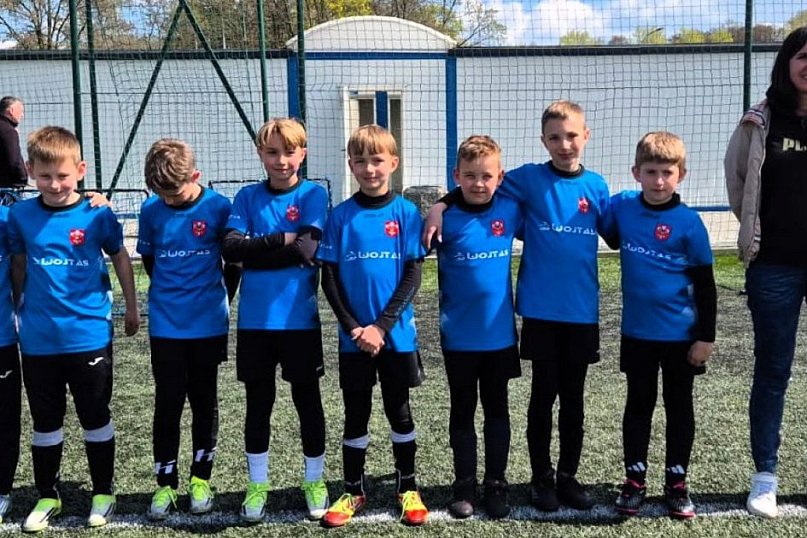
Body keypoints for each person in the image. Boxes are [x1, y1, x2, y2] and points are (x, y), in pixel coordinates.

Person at [424, 101, 610, 511]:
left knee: (574, 401)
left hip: (582, 312)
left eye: (572, 135)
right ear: (544, 140)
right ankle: (539, 479)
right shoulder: (525, 180)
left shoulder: (596, 186)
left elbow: (615, 230)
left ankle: (567, 477)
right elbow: (475, 182)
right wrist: (439, 204)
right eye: (555, 137)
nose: (564, 144)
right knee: (541, 397)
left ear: (586, 135)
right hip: (539, 313)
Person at [8, 126, 140, 532]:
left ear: (80, 171)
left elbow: (120, 256)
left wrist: (132, 306)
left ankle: (103, 491)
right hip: (38, 339)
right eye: (45, 176)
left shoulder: (98, 213)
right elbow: (18, 264)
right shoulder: (20, 215)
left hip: (88, 335)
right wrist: (17, 310)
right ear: (30, 169)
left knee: (94, 413)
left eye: (63, 176)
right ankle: (47, 494)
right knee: (45, 420)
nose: (54, 184)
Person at [317, 124, 429, 527]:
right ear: (351, 165)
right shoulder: (340, 217)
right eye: (361, 161)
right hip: (354, 340)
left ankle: (407, 487)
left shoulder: (406, 213)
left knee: (400, 412)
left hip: (395, 337)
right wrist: (354, 328)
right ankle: (353, 489)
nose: (369, 168)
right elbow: (329, 279)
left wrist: (380, 327)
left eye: (377, 160)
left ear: (393, 163)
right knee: (355, 414)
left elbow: (412, 275)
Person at [221, 118, 329, 522]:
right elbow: (231, 249)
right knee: (258, 406)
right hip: (255, 323)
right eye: (272, 152)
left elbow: (306, 250)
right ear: (260, 154)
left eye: (289, 152)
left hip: (300, 321)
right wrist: (282, 238)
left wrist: (255, 253)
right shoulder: (247, 196)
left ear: (303, 153)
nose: (281, 160)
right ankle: (258, 484)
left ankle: (314, 481)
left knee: (308, 403)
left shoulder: (313, 194)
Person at [608, 132, 716, 520]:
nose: (658, 181)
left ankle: (677, 483)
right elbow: (606, 231)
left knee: (679, 406)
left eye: (667, 173)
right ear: (636, 172)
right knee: (638, 404)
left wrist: (706, 337)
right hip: (637, 334)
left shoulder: (689, 223)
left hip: (680, 338)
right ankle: (634, 481)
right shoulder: (623, 208)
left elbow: (705, 285)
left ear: (680, 175)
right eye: (651, 172)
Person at [725, 25, 807, 519]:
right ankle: (766, 477)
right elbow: (739, 183)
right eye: (803, 56)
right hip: (774, 265)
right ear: (787, 63)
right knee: (774, 370)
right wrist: (755, 229)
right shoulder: (760, 121)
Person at [137, 139, 240, 520]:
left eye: (175, 193)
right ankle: (165, 483)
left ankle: (201, 479)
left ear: (195, 176)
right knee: (167, 401)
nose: (168, 200)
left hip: (208, 322)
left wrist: (218, 300)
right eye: (161, 193)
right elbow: (151, 261)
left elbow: (233, 264)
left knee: (203, 399)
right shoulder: (151, 210)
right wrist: (172, 297)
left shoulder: (219, 207)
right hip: (166, 323)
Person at [435, 135, 522, 520]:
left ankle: (496, 483)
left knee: (497, 409)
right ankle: (465, 484)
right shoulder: (445, 218)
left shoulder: (511, 209)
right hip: (458, 338)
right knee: (462, 410)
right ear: (456, 176)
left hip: (500, 336)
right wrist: (439, 205)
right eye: (469, 176)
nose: (478, 183)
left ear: (499, 177)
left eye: (487, 176)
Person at [0, 202, 19, 525]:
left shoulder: (9, 219)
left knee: (4, 419)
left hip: (2, 337)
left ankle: (2, 489)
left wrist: (93, 202)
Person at [0, 96, 26, 189]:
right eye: (21, 111)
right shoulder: (8, 131)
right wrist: (23, 178)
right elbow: (14, 160)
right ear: (11, 110)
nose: (22, 115)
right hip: (7, 187)